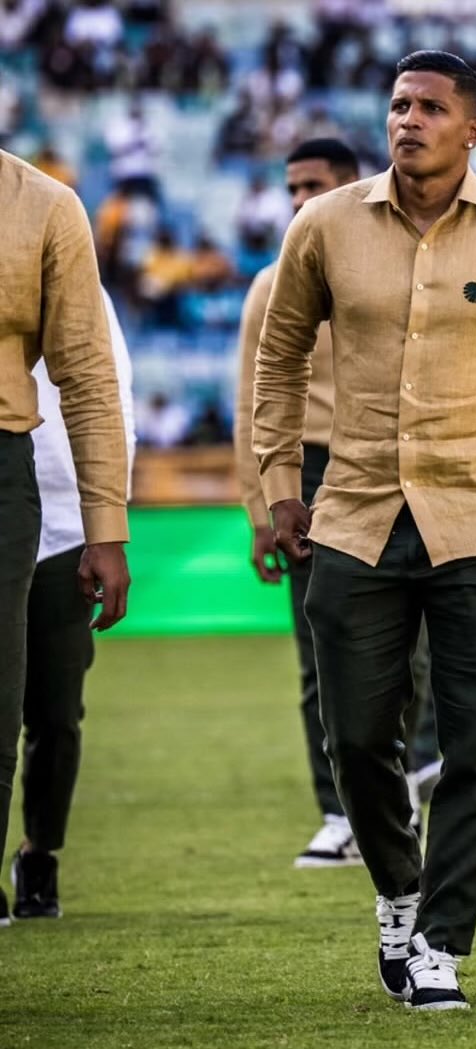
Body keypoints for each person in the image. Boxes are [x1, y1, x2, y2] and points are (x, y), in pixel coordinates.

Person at [252, 51, 476, 1010]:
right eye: (399, 104)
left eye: (431, 107)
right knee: (360, 738)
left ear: (473, 130)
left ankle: (441, 939)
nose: (408, 120)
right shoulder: (322, 225)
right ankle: (398, 891)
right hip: (354, 517)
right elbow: (278, 358)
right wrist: (282, 484)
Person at [0, 148, 131, 926]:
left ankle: (39, 850)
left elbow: (97, 382)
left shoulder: (47, 211)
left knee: (42, 709)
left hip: (39, 510)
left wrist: (102, 525)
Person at [233, 137, 362, 869]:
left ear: (350, 186)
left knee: (415, 645)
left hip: (390, 461)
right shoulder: (270, 284)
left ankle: (403, 781)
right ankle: (337, 811)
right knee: (322, 651)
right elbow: (251, 404)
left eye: (310, 184)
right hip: (307, 472)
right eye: (289, 187)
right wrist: (261, 507)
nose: (295, 201)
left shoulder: (397, 266)